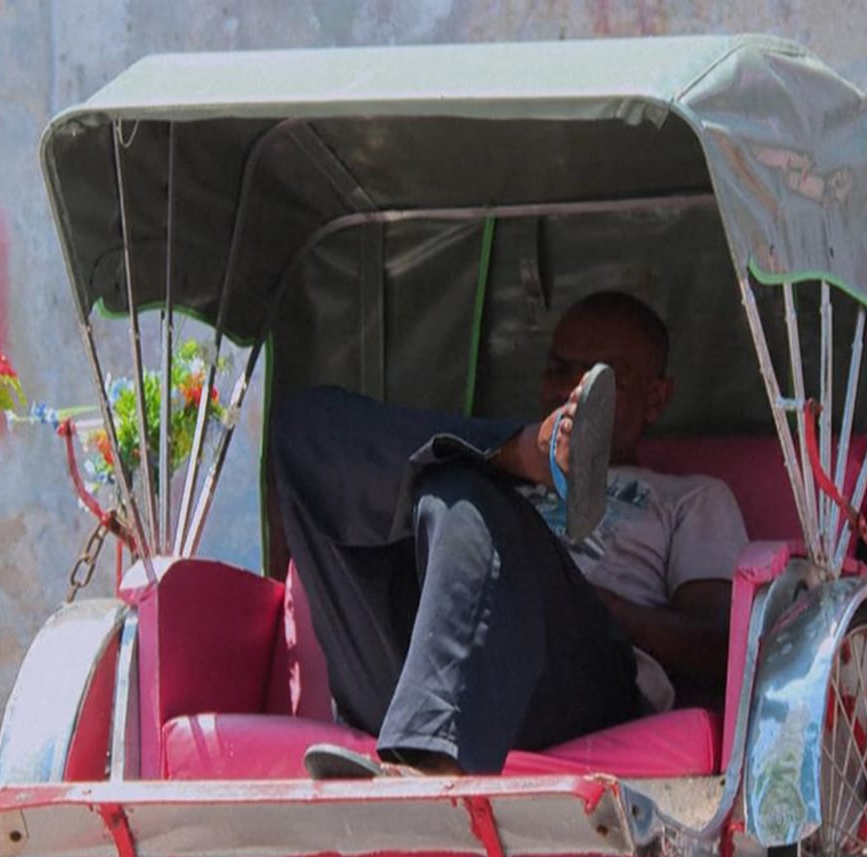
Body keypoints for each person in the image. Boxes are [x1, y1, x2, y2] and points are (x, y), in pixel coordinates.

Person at [272, 290, 748, 777]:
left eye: (600, 380)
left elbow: (717, 645)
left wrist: (603, 605)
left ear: (656, 398)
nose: (571, 395)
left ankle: (431, 762)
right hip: (413, 663)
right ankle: (524, 454)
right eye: (558, 370)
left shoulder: (690, 497)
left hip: (573, 679)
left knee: (462, 490)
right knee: (302, 424)